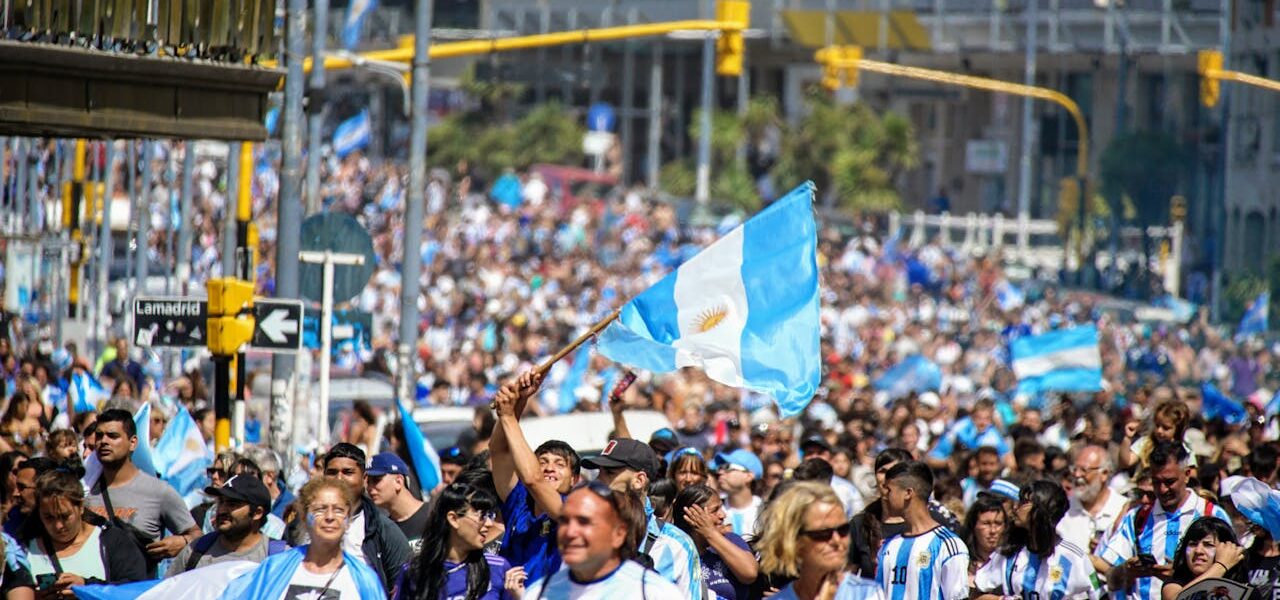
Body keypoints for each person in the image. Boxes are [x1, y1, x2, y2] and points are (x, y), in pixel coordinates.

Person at [1096, 441, 1230, 600]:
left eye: (1169, 482)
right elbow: (1110, 578)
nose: (1162, 490)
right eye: (1156, 482)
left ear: (1187, 475)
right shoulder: (1137, 518)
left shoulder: (1212, 515)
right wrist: (1127, 571)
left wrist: (1181, 576)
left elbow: (1231, 577)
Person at [221, 477, 385, 599]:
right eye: (320, 509)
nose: (329, 516)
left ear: (348, 519)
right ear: (305, 517)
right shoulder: (275, 569)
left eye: (338, 510)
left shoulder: (364, 580)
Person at [581, 435, 704, 598]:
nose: (598, 481)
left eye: (609, 473)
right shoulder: (584, 533)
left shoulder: (676, 545)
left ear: (639, 480)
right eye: (599, 473)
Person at [490, 372, 582, 585]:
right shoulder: (518, 501)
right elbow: (500, 451)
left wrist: (508, 416)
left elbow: (534, 480)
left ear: (575, 480)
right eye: (542, 462)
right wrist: (521, 400)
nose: (549, 469)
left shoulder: (571, 510)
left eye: (560, 464)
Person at [82, 409, 201, 575]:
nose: (104, 441)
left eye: (113, 436)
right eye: (99, 436)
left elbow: (198, 537)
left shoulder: (159, 492)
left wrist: (183, 541)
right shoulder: (82, 491)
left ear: (133, 443)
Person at [522, 481, 682, 599]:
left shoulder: (654, 593)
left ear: (618, 534)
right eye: (564, 521)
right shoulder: (538, 594)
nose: (570, 532)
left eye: (584, 522)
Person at [24, 468, 148, 597]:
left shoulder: (112, 541)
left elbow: (134, 591)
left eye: (65, 516)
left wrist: (87, 587)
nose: (58, 526)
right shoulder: (24, 550)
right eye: (49, 517)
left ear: (81, 507)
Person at [974, 480, 1104, 600]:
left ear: (1040, 509)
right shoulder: (1009, 551)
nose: (1015, 507)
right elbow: (977, 592)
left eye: (1023, 502)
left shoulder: (1074, 557)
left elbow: (1099, 594)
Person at [757, 481, 883, 600]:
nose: (836, 540)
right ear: (793, 541)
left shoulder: (867, 594)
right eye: (823, 534)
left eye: (843, 530)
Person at [320, 443, 413, 596]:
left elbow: (405, 586)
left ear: (364, 478)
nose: (339, 478)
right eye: (332, 472)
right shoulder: (305, 524)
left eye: (347, 472)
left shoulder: (382, 530)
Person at [401, 482, 518, 600]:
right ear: (453, 519)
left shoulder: (497, 568)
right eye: (481, 516)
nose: (489, 524)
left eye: (490, 515)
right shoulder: (414, 572)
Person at [874, 461, 969, 600]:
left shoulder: (948, 546)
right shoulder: (888, 546)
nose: (885, 496)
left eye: (889, 490)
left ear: (908, 493)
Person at [165, 473, 288, 577]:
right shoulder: (195, 551)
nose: (222, 510)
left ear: (257, 513)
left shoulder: (280, 558)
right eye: (221, 502)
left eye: (233, 504)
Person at [671, 484, 757, 600]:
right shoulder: (676, 549)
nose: (723, 515)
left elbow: (749, 573)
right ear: (692, 516)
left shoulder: (731, 540)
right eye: (715, 510)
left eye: (721, 508)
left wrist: (710, 534)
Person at [1058, 445, 1128, 556]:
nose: (1077, 475)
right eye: (1074, 469)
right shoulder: (1063, 509)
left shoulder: (1123, 509)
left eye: (1084, 470)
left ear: (1104, 474)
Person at [1160, 517, 1247, 600]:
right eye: (1193, 544)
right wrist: (1221, 565)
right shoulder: (1174, 584)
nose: (1198, 551)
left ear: (1227, 549)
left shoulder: (1243, 588)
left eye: (1208, 545)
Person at [365, 453, 430, 555]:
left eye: (376, 480)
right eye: (368, 482)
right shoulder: (383, 530)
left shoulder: (434, 515)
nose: (369, 488)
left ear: (398, 481)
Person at [713, 449, 763, 541]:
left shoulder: (764, 510)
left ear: (748, 476)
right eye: (719, 468)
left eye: (727, 467)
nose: (720, 472)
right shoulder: (714, 508)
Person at [962, 493, 1007, 586]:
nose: (993, 530)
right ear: (973, 525)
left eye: (998, 523)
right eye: (986, 523)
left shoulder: (1010, 563)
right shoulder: (961, 562)